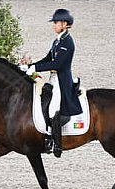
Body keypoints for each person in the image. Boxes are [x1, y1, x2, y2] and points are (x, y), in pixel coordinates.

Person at [21, 8, 82, 157]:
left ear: (65, 24)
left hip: (62, 81)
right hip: (54, 80)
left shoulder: (67, 42)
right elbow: (48, 59)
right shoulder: (58, 40)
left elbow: (57, 64)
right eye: (54, 22)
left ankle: (56, 144)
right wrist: (30, 66)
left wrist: (35, 67)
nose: (53, 25)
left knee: (53, 108)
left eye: (56, 22)